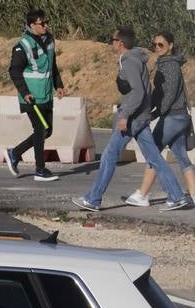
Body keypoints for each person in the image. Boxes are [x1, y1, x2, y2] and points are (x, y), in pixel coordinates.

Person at [74, 27, 191, 212]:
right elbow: (148, 90)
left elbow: (138, 92)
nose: (111, 43)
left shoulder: (129, 61)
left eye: (112, 40)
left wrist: (125, 115)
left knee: (109, 156)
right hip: (140, 117)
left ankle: (93, 199)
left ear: (120, 43)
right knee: (155, 158)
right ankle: (176, 196)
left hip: (133, 119)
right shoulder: (138, 59)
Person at [125, 31, 195, 209]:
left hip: (173, 117)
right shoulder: (167, 64)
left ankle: (143, 194)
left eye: (161, 45)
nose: (156, 48)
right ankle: (194, 195)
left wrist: (153, 114)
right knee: (182, 158)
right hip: (180, 117)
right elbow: (161, 94)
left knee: (153, 153)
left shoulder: (169, 65)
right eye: (154, 45)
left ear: (170, 46)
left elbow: (168, 96)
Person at [6, 9, 65, 182]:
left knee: (47, 130)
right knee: (40, 130)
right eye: (42, 23)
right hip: (31, 96)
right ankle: (40, 170)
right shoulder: (22, 45)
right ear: (32, 25)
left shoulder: (49, 40)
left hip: (46, 95)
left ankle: (14, 153)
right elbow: (14, 71)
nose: (46, 26)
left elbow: (52, 64)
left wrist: (58, 84)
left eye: (47, 22)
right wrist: (25, 93)